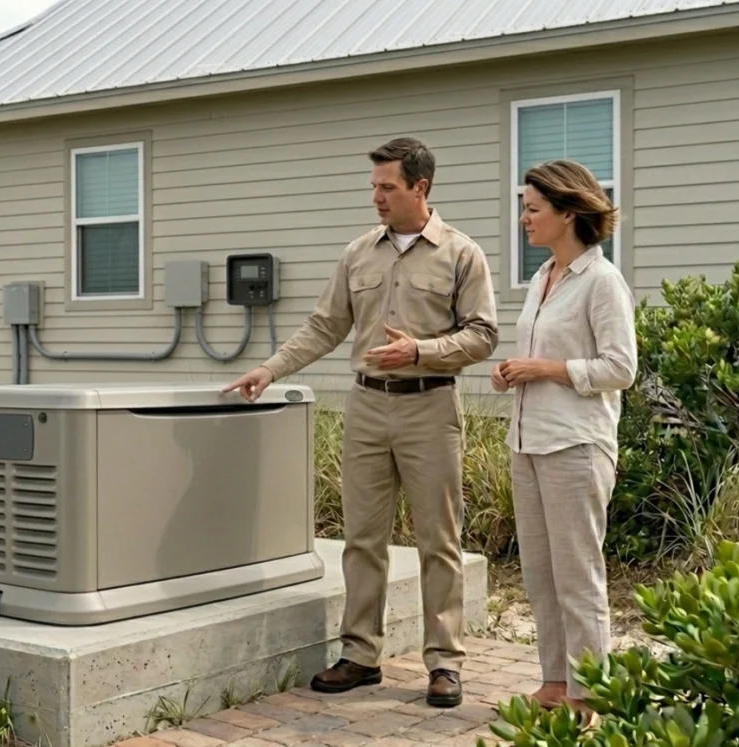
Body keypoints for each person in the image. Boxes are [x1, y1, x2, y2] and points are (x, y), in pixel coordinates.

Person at [223, 137, 499, 708]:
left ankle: (444, 662)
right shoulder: (358, 254)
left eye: (387, 187)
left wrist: (420, 351)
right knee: (362, 539)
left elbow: (482, 335)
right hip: (367, 407)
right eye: (373, 186)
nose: (375, 196)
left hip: (430, 406)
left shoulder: (461, 254)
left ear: (420, 188)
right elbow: (325, 326)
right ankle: (360, 655)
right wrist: (270, 369)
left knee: (438, 540)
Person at [491, 159, 637, 724]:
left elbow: (621, 368)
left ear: (568, 213)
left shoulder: (603, 281)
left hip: (576, 446)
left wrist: (548, 368)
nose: (523, 219)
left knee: (578, 575)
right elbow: (537, 360)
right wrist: (511, 372)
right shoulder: (540, 279)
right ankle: (554, 683)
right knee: (540, 574)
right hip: (527, 444)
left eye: (532, 208)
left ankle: (589, 694)